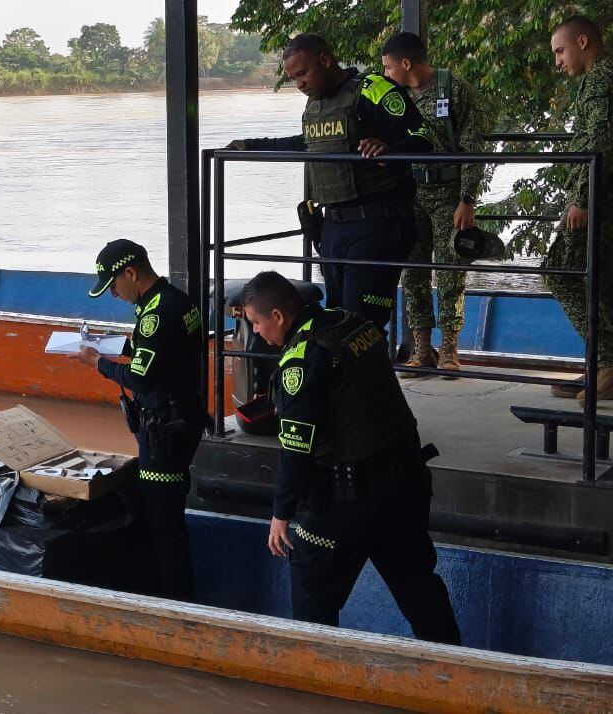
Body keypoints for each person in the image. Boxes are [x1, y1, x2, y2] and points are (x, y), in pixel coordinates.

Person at [236, 271, 461, 644]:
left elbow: (296, 450)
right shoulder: (351, 324)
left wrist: (281, 514)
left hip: (348, 500)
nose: (256, 333)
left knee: (311, 598)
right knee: (419, 589)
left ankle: (313, 687)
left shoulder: (300, 361)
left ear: (277, 316)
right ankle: (455, 674)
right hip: (407, 482)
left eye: (256, 323)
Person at [228, 34, 435, 330]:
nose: (298, 84)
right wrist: (251, 145)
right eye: (292, 78)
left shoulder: (373, 89)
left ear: (325, 60)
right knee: (337, 322)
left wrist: (390, 149)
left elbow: (423, 137)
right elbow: (306, 144)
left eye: (302, 73)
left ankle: (372, 376)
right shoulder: (315, 107)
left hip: (377, 224)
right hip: (333, 228)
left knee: (362, 326)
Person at [73, 239, 206, 600]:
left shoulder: (155, 314)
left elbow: (141, 378)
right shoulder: (174, 300)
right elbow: (162, 350)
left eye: (114, 285)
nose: (114, 294)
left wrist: (96, 363)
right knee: (169, 520)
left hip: (165, 430)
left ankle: (175, 606)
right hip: (185, 417)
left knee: (163, 528)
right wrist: (110, 344)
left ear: (130, 273)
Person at [382, 32, 492, 378]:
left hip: (448, 194)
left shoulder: (453, 88)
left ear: (406, 63)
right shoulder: (390, 98)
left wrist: (468, 200)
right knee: (412, 273)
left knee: (450, 273)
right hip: (408, 192)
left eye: (388, 67)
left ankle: (449, 350)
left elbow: (474, 146)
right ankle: (421, 348)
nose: (385, 75)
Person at [548, 16, 613, 400]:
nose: (557, 61)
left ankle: (606, 361)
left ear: (583, 42)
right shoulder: (597, 79)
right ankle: (601, 363)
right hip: (600, 194)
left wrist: (580, 198)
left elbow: (602, 140)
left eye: (560, 50)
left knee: (560, 271)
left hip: (599, 198)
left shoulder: (601, 81)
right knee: (600, 280)